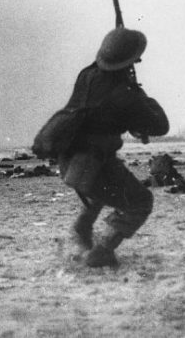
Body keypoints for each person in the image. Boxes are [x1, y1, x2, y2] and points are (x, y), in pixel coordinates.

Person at [58, 28, 169, 268]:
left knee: (97, 193)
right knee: (140, 202)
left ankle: (80, 232)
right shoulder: (125, 95)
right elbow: (160, 125)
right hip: (94, 163)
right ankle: (102, 250)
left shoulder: (86, 75)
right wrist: (141, 94)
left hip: (68, 158)